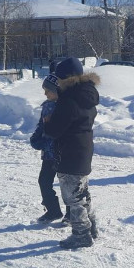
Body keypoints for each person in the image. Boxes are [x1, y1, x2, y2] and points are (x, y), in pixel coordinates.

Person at [44, 57, 99, 249]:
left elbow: (54, 130)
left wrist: (48, 123)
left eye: (58, 78)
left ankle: (81, 234)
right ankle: (92, 227)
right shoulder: (87, 95)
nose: (57, 82)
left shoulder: (68, 100)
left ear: (65, 78)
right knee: (82, 192)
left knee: (73, 197)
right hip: (84, 149)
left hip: (70, 152)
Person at [30, 73, 69, 224]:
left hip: (62, 154)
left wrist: (48, 143)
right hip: (48, 155)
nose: (45, 93)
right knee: (44, 181)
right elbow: (42, 125)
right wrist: (36, 138)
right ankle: (53, 211)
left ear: (57, 90)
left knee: (66, 185)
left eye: (48, 90)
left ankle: (72, 214)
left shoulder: (64, 108)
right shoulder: (47, 106)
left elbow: (61, 132)